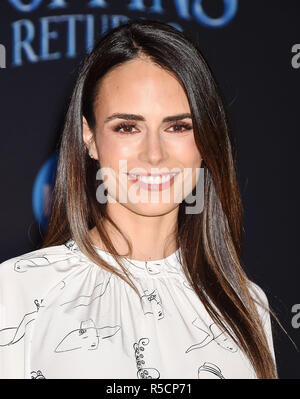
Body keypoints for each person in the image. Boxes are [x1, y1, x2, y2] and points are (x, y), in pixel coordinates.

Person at [0, 19, 278, 379]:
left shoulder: (247, 304)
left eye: (178, 126)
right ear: (90, 138)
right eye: (127, 127)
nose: (154, 154)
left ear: (207, 139)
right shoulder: (16, 293)